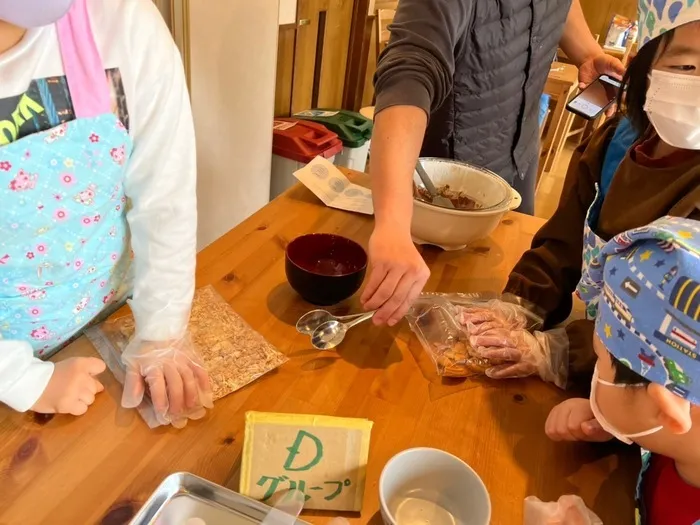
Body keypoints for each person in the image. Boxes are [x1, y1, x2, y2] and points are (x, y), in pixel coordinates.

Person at [451, 0, 700, 389]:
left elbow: (673, 345)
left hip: (657, 408)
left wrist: (559, 353)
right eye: (687, 67)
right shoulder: (617, 143)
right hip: (593, 366)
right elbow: (562, 243)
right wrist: (520, 305)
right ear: (642, 66)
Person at [0, 0, 212, 427]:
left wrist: (161, 330)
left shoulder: (121, 21)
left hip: (106, 322)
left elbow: (164, 196)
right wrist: (21, 379)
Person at [362, 0, 626, 326]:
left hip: (519, 157)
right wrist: (393, 224)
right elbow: (410, 72)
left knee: (505, 305)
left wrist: (587, 51)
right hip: (442, 182)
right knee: (426, 318)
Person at [545, 217, 700, 524]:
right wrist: (617, 427)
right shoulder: (677, 442)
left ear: (666, 409)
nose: (596, 372)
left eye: (601, 362)